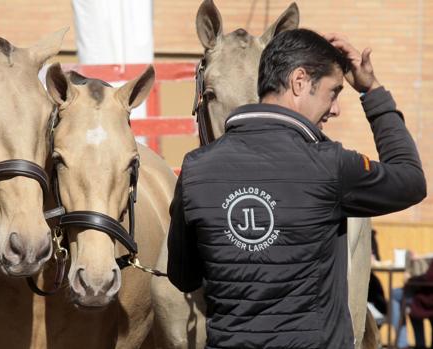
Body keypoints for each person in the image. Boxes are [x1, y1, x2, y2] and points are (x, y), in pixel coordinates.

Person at [167, 28, 426, 349]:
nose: (335, 109)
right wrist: (371, 91)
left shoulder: (194, 169)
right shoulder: (330, 165)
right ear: (299, 81)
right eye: (333, 93)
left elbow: (184, 276)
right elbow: (411, 181)